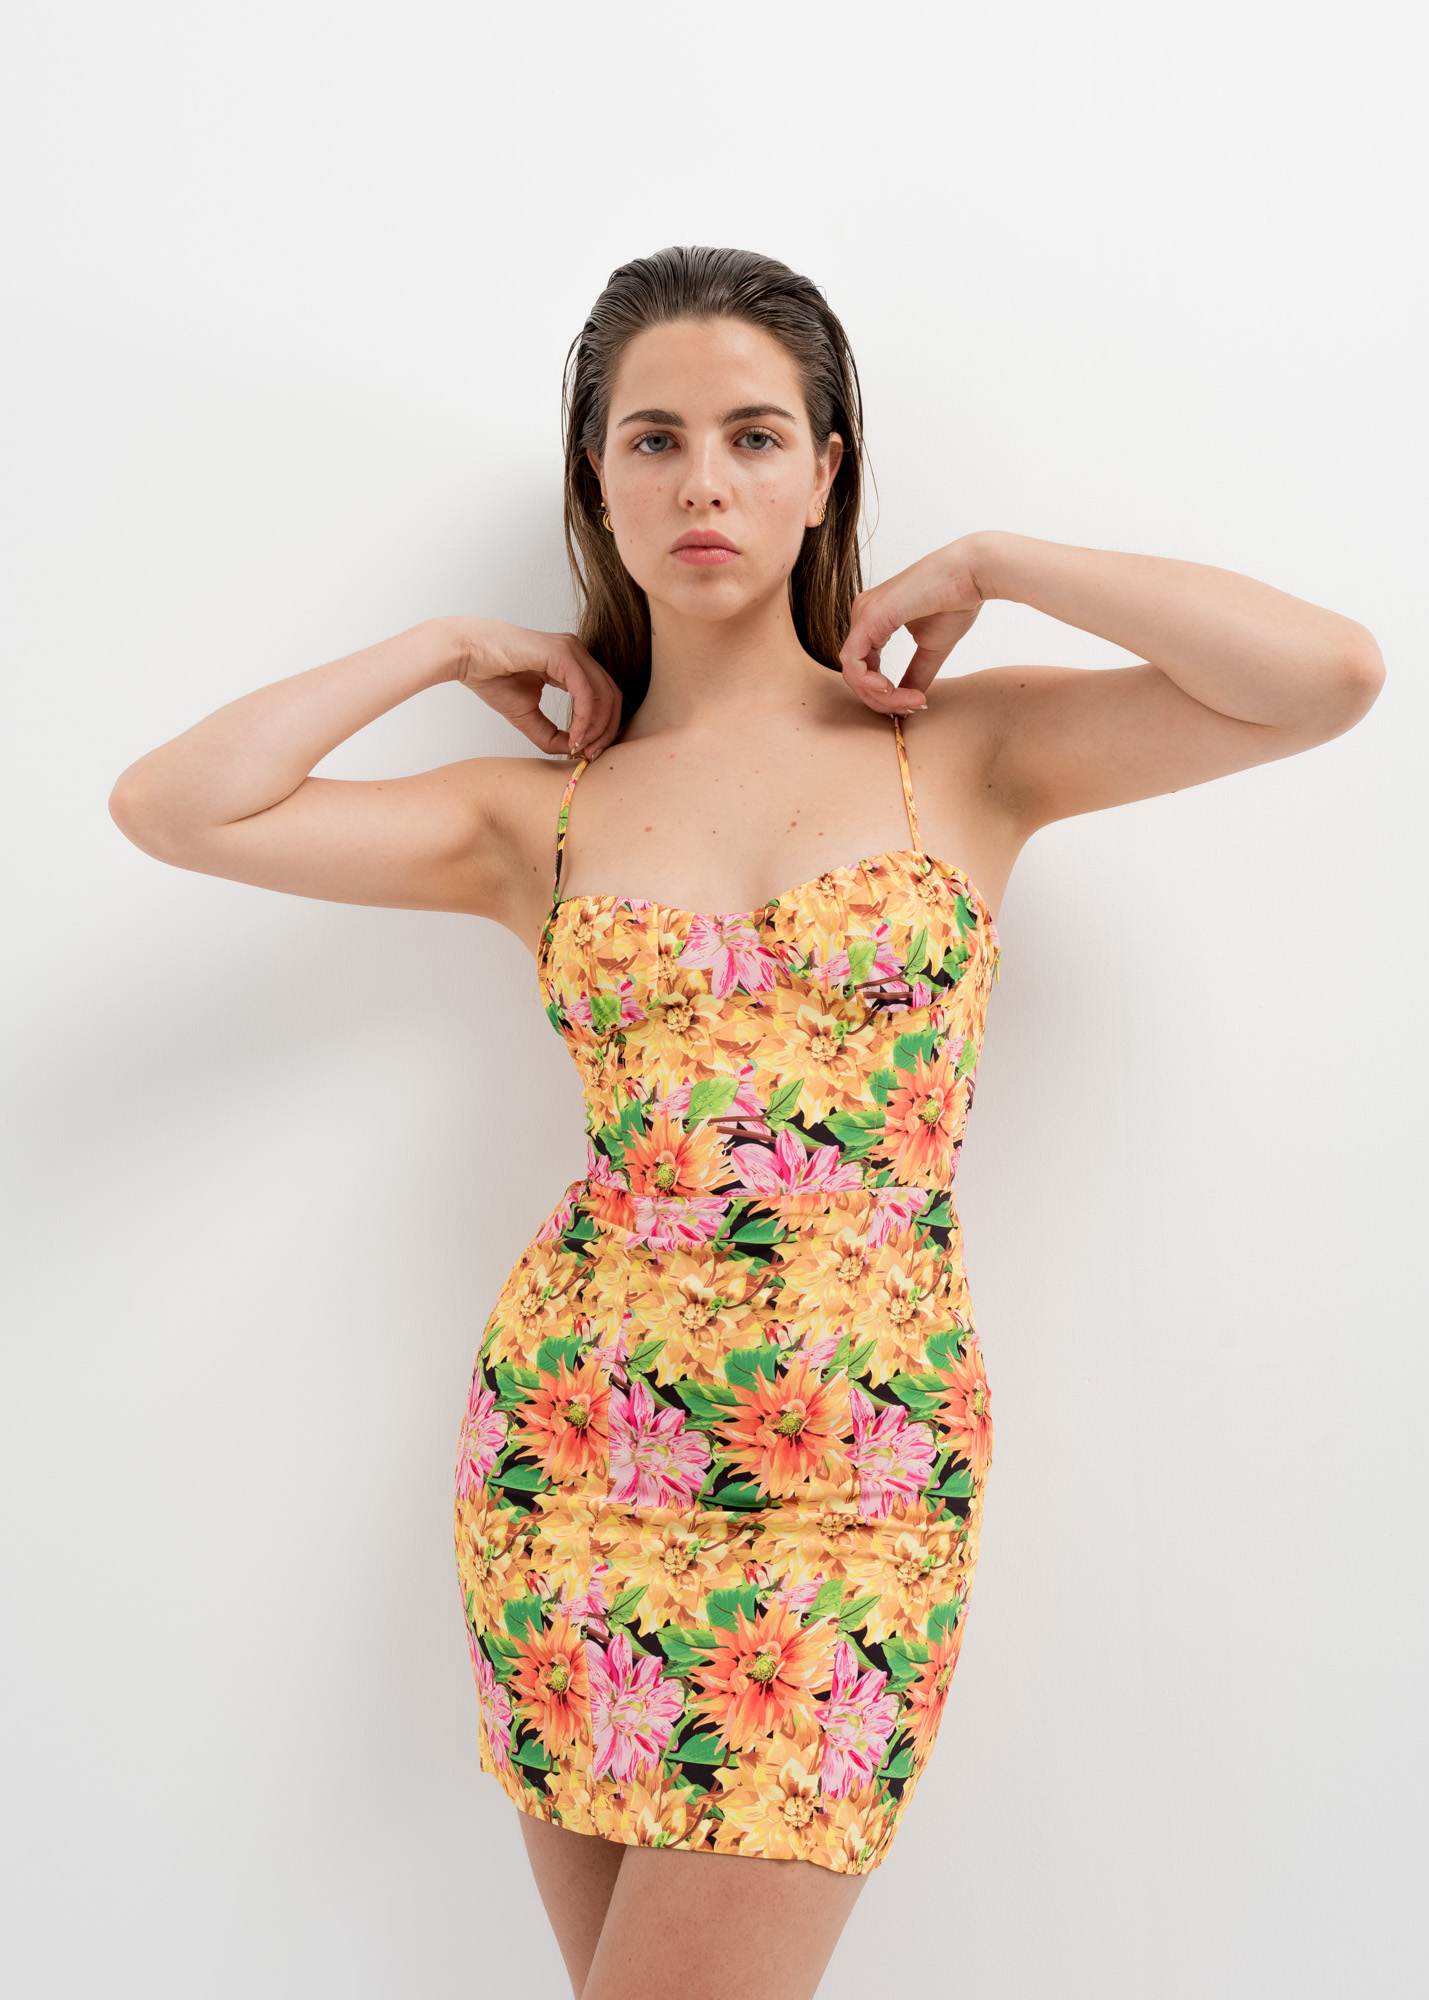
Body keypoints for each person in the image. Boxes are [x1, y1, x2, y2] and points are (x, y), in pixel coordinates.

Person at [108, 246, 1384, 2000]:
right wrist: (445, 645)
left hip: (858, 1469)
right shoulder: (536, 817)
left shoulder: (961, 756)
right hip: (576, 1449)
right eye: (651, 440)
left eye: (753, 436)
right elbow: (175, 808)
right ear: (596, 483)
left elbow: (1324, 676)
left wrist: (995, 560)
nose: (702, 481)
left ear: (824, 472)